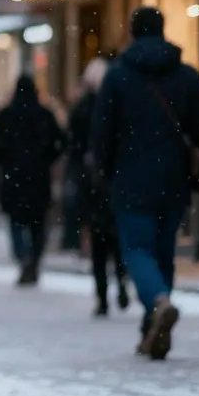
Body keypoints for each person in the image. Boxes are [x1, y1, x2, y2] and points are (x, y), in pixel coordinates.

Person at [91, 6, 199, 359]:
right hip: (173, 178)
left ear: (132, 32)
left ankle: (158, 303)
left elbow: (102, 132)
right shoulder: (185, 75)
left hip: (131, 178)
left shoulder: (118, 76)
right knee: (163, 251)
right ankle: (152, 326)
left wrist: (103, 170)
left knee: (137, 250)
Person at [67, 58, 128, 317]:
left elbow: (72, 146)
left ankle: (102, 295)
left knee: (99, 243)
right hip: (117, 182)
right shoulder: (118, 107)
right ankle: (121, 282)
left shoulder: (83, 109)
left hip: (93, 183)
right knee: (118, 239)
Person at [0, 76, 65, 286]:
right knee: (37, 224)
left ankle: (23, 256)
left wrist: (5, 161)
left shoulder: (7, 115)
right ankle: (32, 259)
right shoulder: (44, 115)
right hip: (38, 177)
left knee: (16, 221)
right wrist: (46, 158)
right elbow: (60, 142)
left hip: (14, 176)